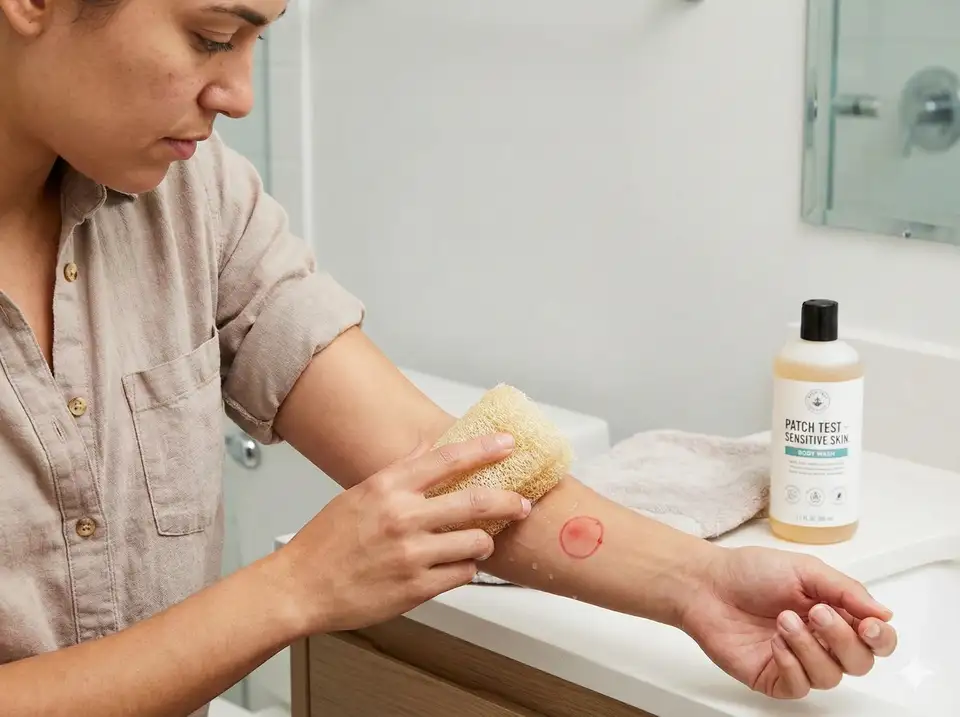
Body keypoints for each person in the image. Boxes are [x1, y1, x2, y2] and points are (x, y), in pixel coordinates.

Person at [0, 1, 898, 715]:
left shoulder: (191, 197)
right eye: (210, 37)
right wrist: (294, 589)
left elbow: (434, 455)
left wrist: (698, 585)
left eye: (254, 42)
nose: (238, 94)